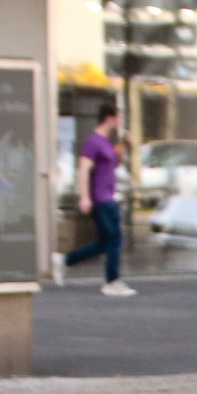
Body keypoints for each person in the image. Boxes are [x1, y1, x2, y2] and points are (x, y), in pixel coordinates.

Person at [58, 102, 134, 297]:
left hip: (107, 195)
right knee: (115, 239)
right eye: (118, 117)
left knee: (103, 243)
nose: (119, 122)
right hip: (101, 198)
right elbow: (83, 169)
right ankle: (111, 281)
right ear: (109, 118)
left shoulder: (106, 141)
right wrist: (84, 197)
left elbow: (112, 165)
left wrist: (125, 147)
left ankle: (65, 260)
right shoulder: (93, 142)